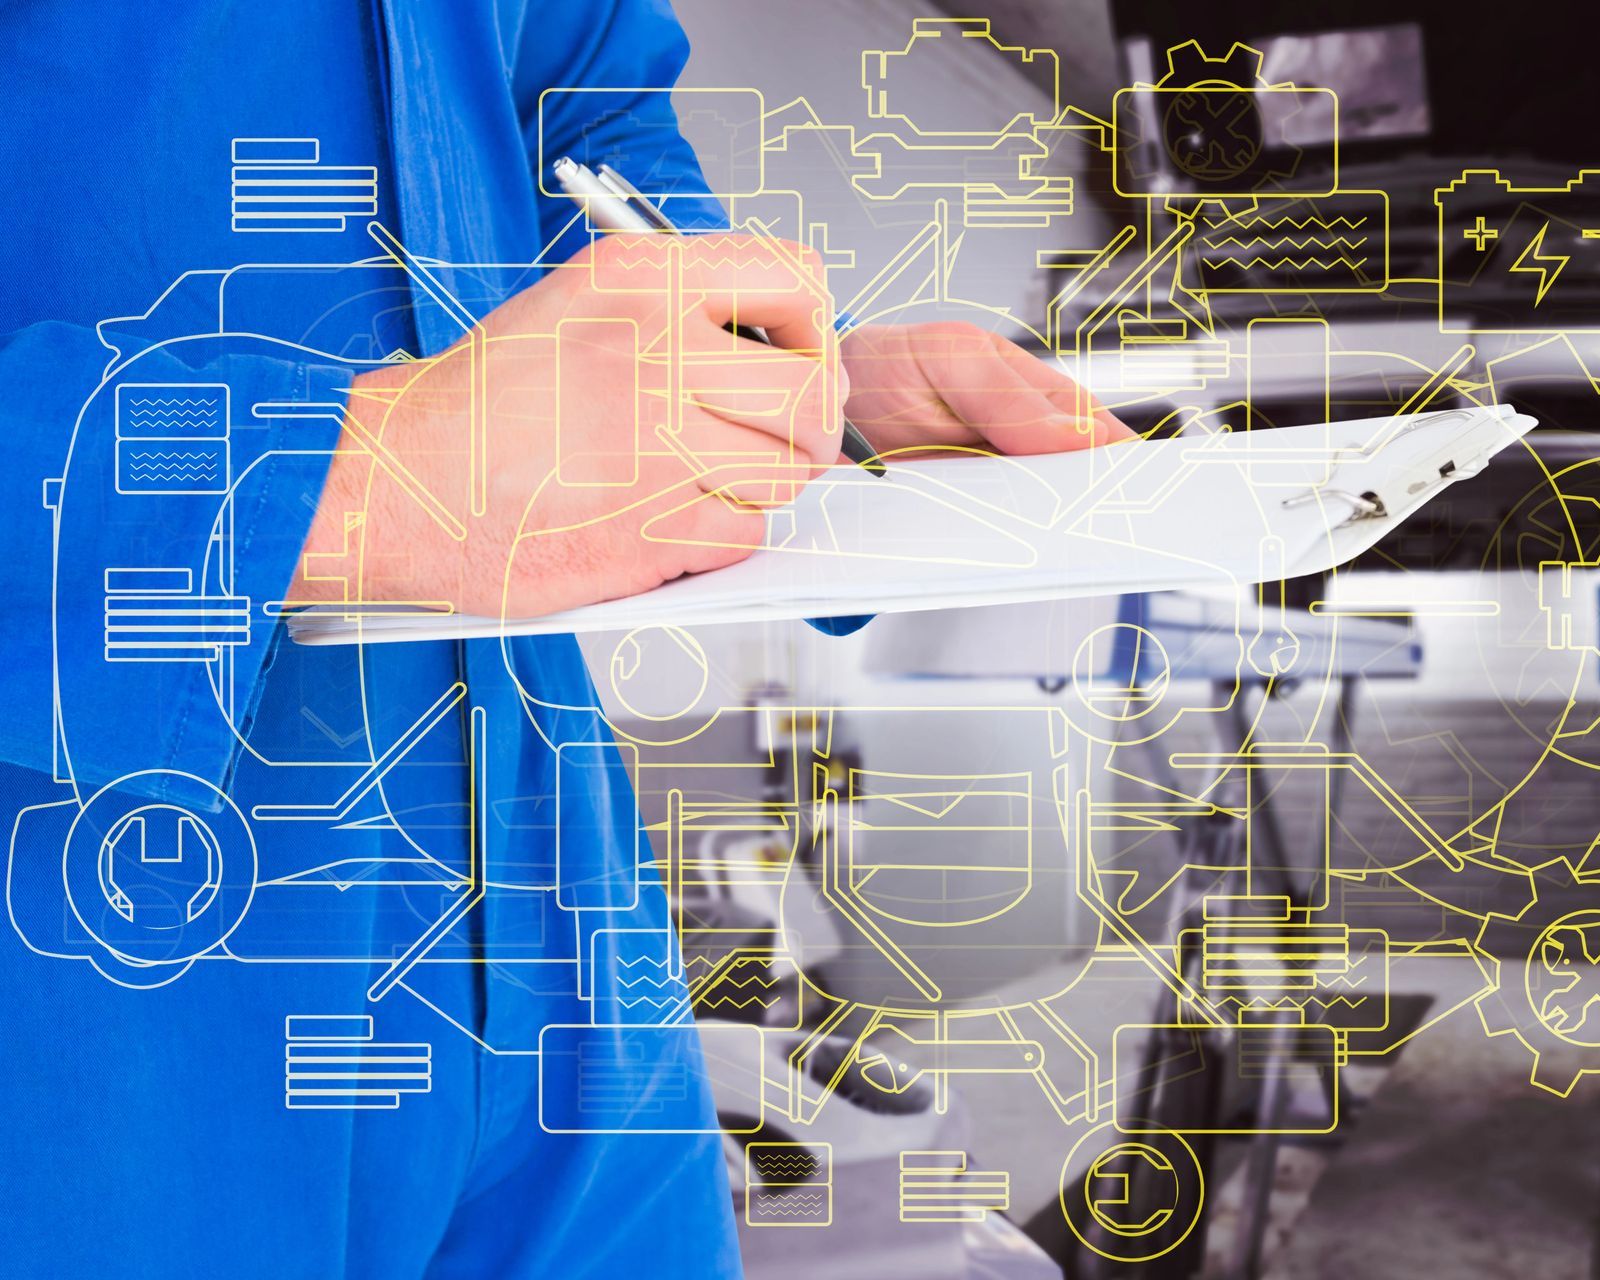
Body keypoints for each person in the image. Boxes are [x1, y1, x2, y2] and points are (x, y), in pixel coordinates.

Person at [0, 3, 1123, 1277]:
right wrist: (353, 472)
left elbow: (576, 113)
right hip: (85, 984)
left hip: (556, 921)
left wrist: (760, 390)